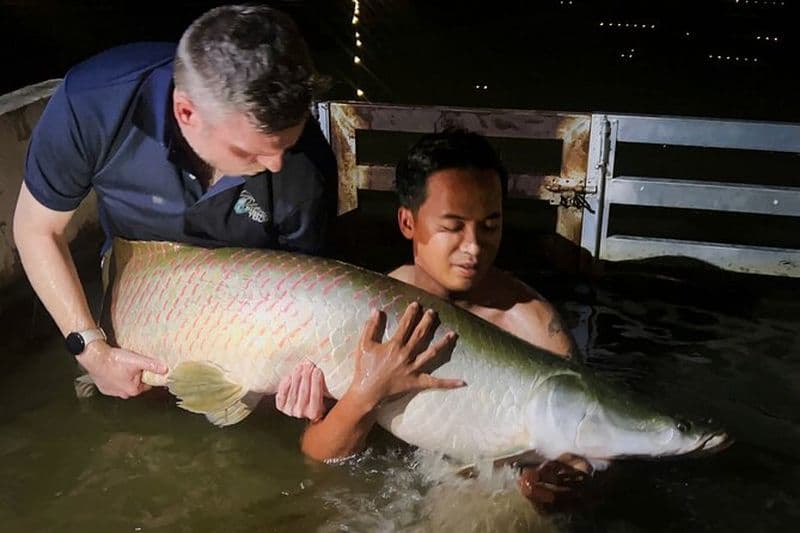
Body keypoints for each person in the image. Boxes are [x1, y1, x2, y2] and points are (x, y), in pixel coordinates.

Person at [13, 5, 455, 406]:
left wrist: (298, 382)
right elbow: (37, 230)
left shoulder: (305, 165)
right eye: (252, 153)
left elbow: (300, 288)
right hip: (139, 281)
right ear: (187, 113)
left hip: (252, 302)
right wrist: (89, 347)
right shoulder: (93, 104)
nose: (276, 164)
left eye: (288, 142)